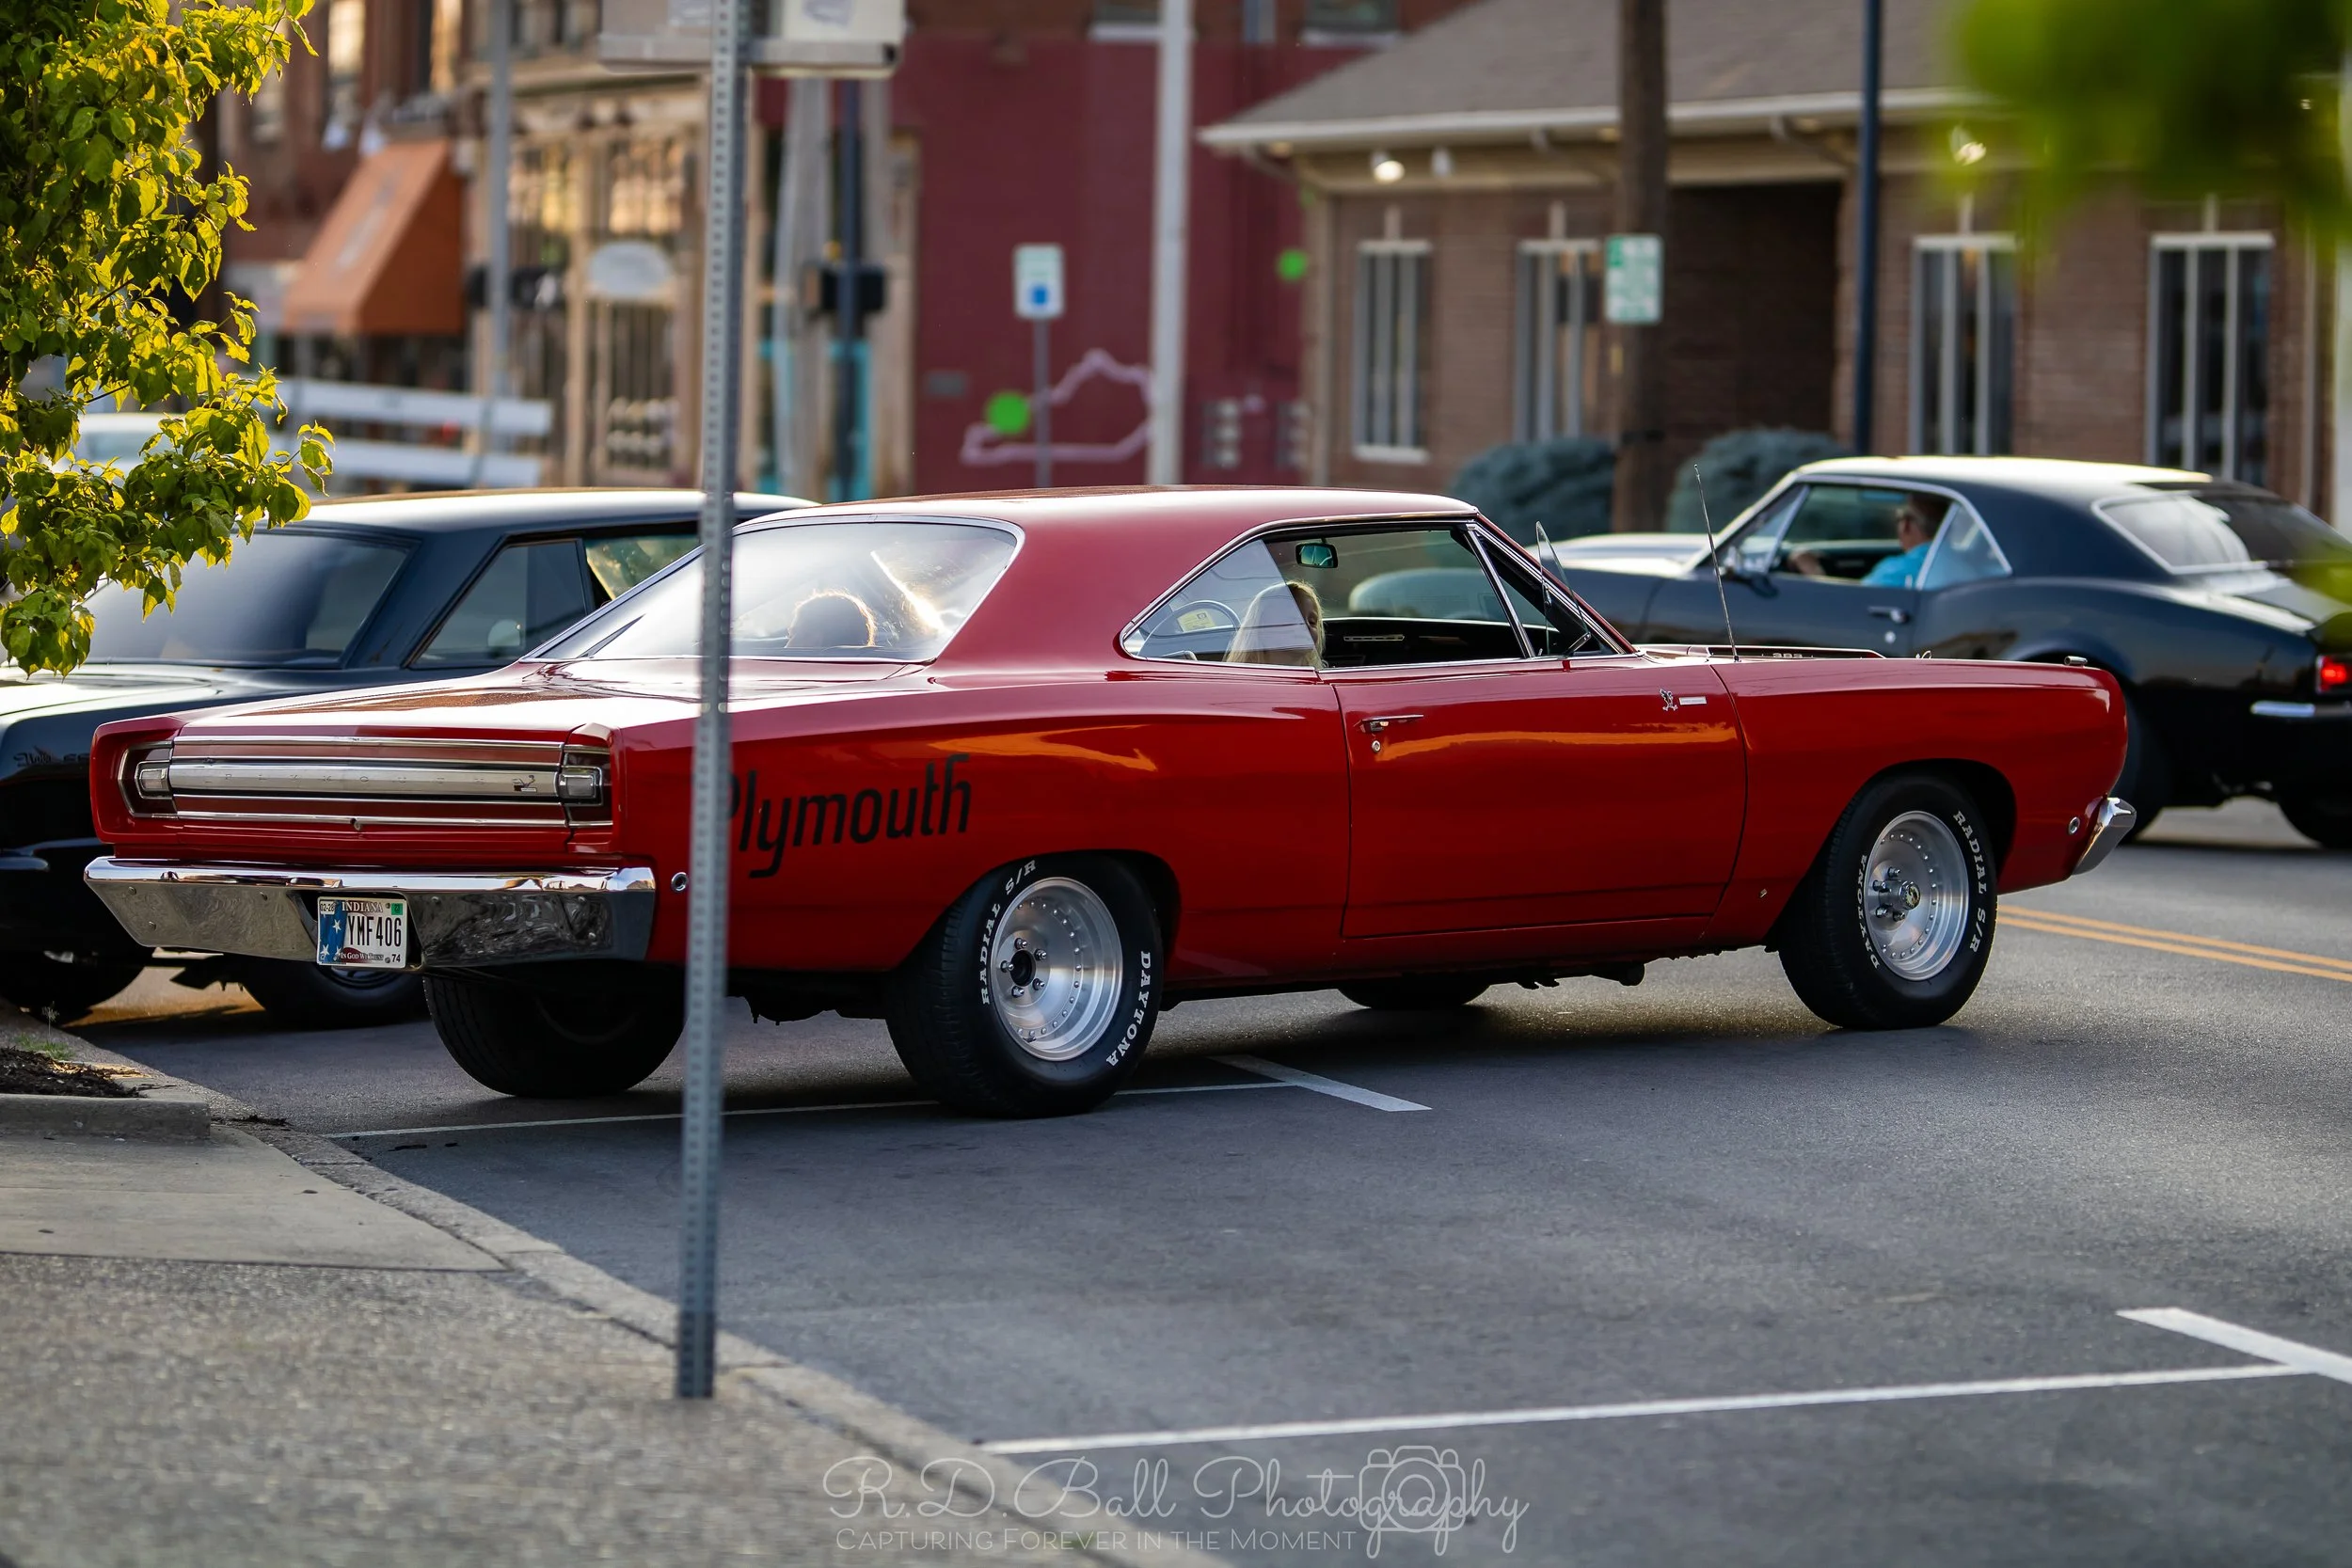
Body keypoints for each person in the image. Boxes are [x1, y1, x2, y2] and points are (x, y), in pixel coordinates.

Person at [1229, 580, 1324, 666]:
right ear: (1262, 629)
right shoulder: (1245, 679)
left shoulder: (1318, 679)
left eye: (1312, 622)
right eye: (1293, 620)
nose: (1306, 625)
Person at [1860, 496, 1948, 587]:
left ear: (1906, 525)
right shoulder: (1959, 565)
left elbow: (1859, 595)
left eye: (1898, 518)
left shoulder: (1893, 571)